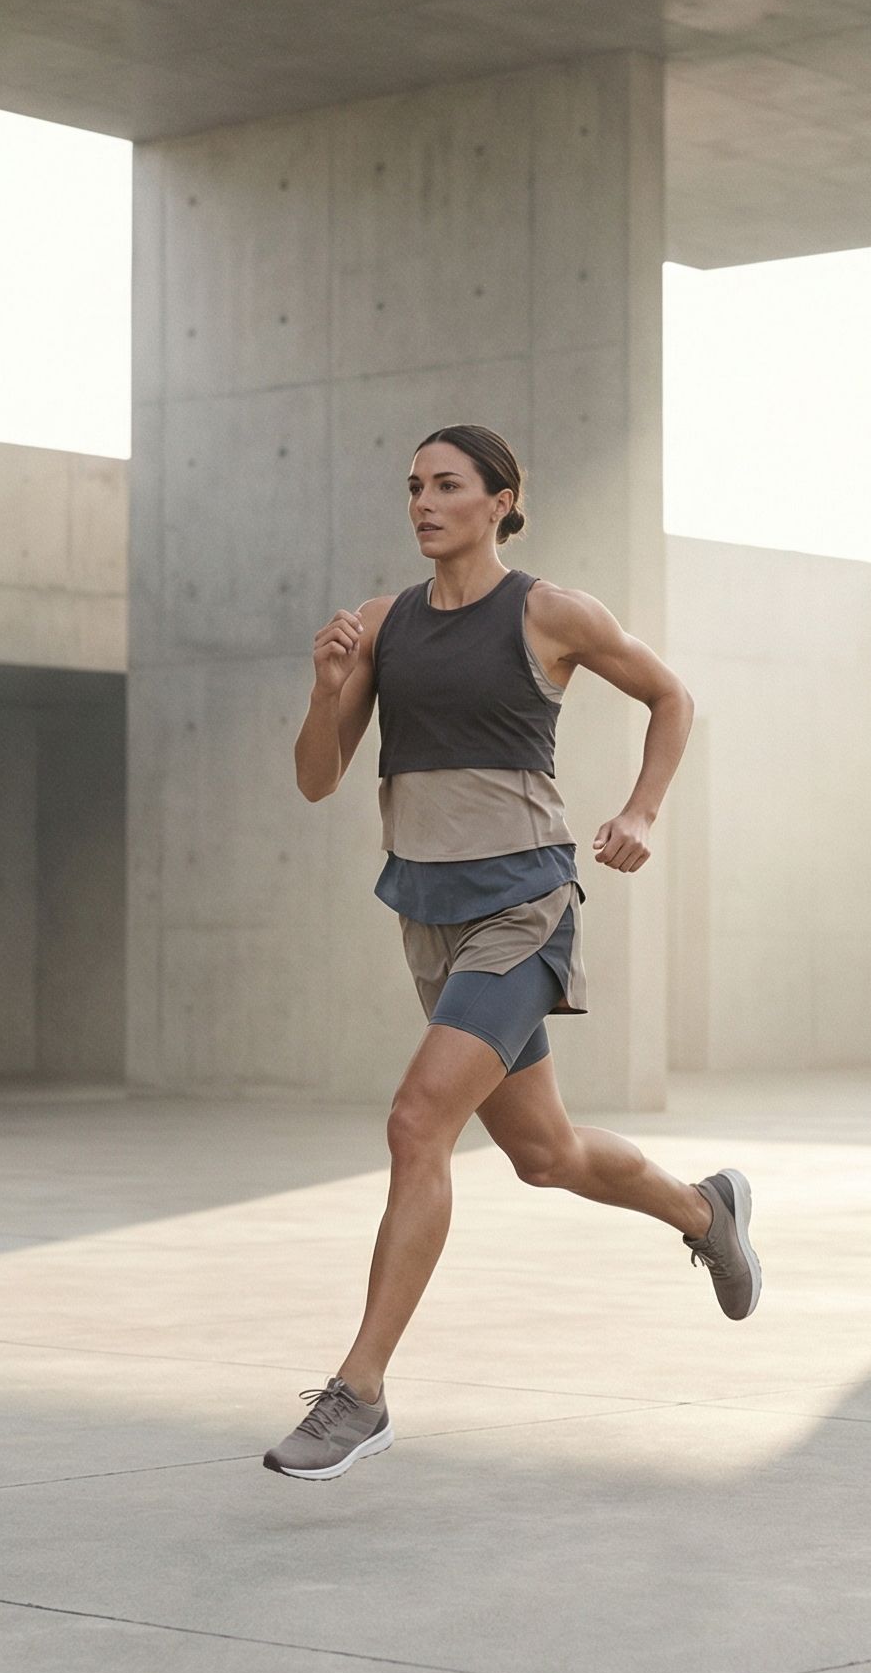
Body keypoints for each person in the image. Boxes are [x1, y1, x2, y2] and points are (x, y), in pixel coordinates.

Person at [265, 425, 759, 1480]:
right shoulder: (380, 625)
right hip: (427, 915)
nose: (423, 502)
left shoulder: (549, 614)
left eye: (447, 485)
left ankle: (360, 1392)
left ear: (500, 502)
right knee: (545, 1154)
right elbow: (317, 778)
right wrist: (325, 686)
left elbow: (670, 696)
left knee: (417, 1122)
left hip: (523, 907)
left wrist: (642, 810)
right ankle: (703, 1210)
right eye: (413, 486)